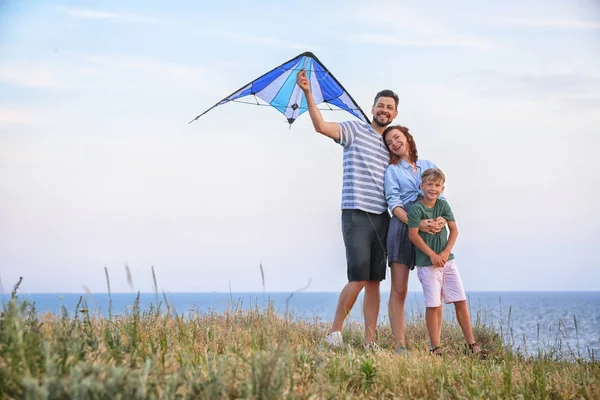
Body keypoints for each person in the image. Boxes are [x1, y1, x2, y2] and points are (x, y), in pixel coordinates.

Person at [296, 69, 399, 349]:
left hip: (383, 218)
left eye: (390, 108)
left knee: (375, 281)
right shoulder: (354, 129)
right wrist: (308, 92)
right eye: (381, 105)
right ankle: (334, 333)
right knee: (358, 277)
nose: (384, 110)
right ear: (373, 108)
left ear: (395, 114)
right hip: (355, 213)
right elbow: (321, 126)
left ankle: (370, 341)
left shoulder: (392, 144)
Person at [407, 167, 486, 358]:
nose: (433, 188)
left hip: (448, 262)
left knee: (460, 301)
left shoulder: (443, 205)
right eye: (430, 184)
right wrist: (433, 255)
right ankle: (435, 348)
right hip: (428, 264)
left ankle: (472, 344)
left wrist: (444, 253)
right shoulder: (416, 209)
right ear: (422, 186)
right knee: (433, 305)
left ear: (442, 189)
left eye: (438, 185)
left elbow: (454, 231)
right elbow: (413, 236)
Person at [383, 125, 446, 354]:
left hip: (430, 226)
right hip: (403, 227)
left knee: (434, 287)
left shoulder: (428, 165)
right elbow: (394, 204)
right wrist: (415, 223)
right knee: (399, 289)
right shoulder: (392, 170)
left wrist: (439, 222)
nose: (394, 143)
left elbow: (441, 196)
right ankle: (400, 345)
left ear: (407, 138)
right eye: (389, 142)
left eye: (397, 137)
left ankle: (435, 345)